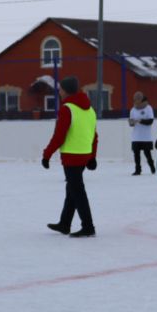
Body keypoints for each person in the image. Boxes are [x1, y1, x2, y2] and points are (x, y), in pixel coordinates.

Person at [41, 76, 99, 237]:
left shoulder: (67, 108)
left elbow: (59, 136)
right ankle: (64, 223)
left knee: (77, 191)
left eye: (60, 89)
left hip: (72, 156)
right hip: (84, 155)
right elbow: (94, 136)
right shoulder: (90, 109)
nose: (59, 91)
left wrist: (47, 155)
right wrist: (92, 156)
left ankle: (88, 226)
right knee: (72, 189)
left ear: (66, 90)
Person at [128, 91, 157, 175]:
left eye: (137, 99)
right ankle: (138, 169)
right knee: (136, 154)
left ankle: (152, 167)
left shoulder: (148, 108)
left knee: (147, 153)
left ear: (141, 99)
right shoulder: (133, 109)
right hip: (136, 136)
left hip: (146, 137)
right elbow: (131, 123)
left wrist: (140, 120)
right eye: (134, 100)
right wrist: (131, 122)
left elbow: (150, 121)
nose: (135, 101)